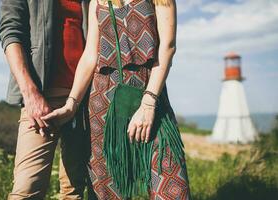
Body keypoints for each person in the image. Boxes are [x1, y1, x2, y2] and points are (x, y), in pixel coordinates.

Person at [42, 0, 191, 199]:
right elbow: (90, 56)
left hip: (150, 95)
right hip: (103, 101)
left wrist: (148, 102)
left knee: (172, 184)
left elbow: (168, 46)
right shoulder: (97, 1)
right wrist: (71, 104)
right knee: (107, 191)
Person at [0, 0, 92, 199]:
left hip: (84, 99)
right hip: (42, 100)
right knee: (26, 191)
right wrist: (30, 94)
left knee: (73, 192)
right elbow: (10, 32)